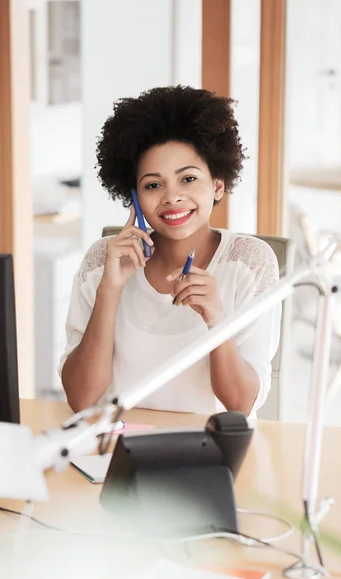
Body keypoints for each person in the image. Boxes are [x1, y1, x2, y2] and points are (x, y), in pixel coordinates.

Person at [59, 85, 281, 417]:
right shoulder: (103, 262)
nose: (171, 197)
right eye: (153, 184)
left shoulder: (249, 263)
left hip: (209, 454)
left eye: (188, 179)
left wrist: (216, 319)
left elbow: (240, 404)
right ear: (133, 196)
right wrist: (110, 291)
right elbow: (81, 399)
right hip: (116, 451)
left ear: (217, 184)